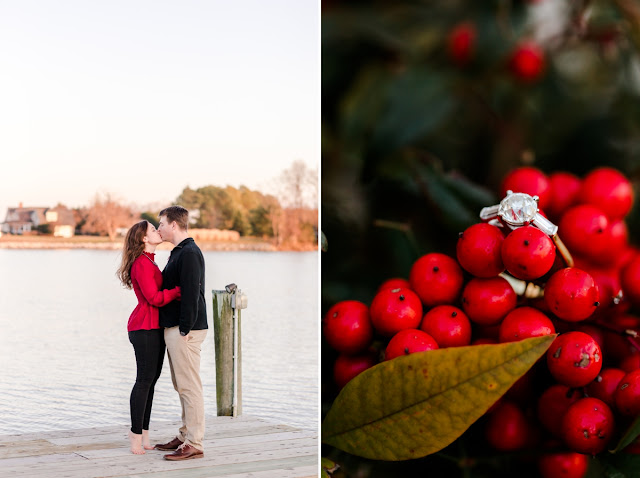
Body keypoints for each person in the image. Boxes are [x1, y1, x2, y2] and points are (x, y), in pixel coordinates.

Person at [117, 220, 181, 455]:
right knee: (143, 380)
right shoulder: (141, 264)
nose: (158, 231)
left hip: (154, 327)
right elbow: (154, 298)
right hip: (143, 327)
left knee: (151, 381)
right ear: (144, 239)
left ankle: (144, 435)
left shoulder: (150, 262)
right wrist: (178, 291)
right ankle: (134, 436)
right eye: (153, 229)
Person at [153, 206, 208, 461]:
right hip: (177, 327)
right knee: (181, 384)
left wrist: (185, 327)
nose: (159, 228)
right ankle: (186, 433)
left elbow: (191, 293)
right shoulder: (180, 252)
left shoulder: (189, 253)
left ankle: (194, 442)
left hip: (185, 329)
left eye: (161, 223)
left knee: (189, 386)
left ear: (174, 224)